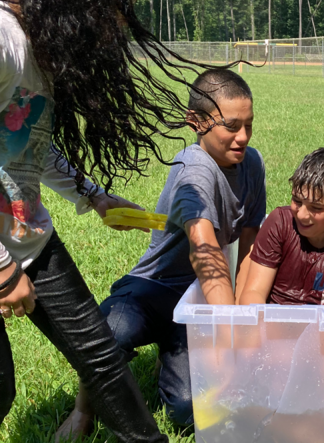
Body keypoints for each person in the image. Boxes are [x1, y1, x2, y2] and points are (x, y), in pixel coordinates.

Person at [1, 1, 236, 441]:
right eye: (106, 27)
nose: (112, 42)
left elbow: (24, 141)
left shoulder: (42, 54)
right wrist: (1, 270)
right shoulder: (3, 39)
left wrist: (93, 196)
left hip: (28, 239)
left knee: (100, 356)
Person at [60, 69, 266, 438]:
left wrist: (244, 305)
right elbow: (204, 249)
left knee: (190, 411)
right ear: (196, 122)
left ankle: (168, 355)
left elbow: (250, 240)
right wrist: (229, 329)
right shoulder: (194, 171)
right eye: (232, 126)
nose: (243, 137)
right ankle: (81, 412)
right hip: (152, 289)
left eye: (249, 125)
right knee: (110, 334)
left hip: (196, 302)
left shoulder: (252, 163)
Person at [239, 147, 324, 309]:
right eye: (297, 201)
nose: (302, 215)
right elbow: (253, 293)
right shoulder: (280, 223)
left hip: (318, 331)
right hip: (269, 324)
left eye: (316, 208)